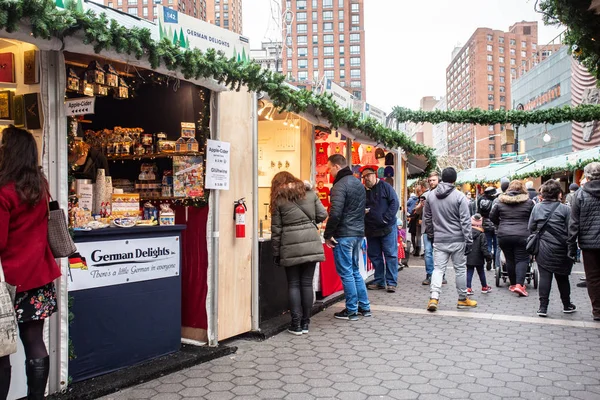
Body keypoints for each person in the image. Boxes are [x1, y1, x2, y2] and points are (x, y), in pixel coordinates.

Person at [0, 126, 61, 399]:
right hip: (38, 276)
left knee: (2, 347)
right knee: (35, 341)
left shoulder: (4, 192)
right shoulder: (40, 185)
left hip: (8, 282)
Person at [270, 172, 328, 335]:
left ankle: (295, 324)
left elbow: (276, 230)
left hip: (290, 245)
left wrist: (276, 252)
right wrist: (308, 223)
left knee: (294, 284)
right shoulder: (309, 193)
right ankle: (306, 323)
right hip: (311, 241)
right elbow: (323, 214)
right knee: (306, 283)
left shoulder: (279, 199)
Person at [324, 154, 371, 321]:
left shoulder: (339, 186)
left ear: (337, 167)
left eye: (329, 168)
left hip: (344, 234)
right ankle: (364, 306)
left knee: (346, 273)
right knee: (355, 271)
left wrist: (328, 234)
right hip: (358, 233)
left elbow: (335, 213)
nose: (329, 171)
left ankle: (351, 309)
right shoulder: (358, 183)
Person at [424, 167, 476, 312]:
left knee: (438, 269)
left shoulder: (431, 196)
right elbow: (465, 220)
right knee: (460, 270)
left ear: (441, 179)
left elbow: (427, 217)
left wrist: (431, 233)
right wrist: (469, 240)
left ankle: (434, 297)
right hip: (458, 239)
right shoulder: (460, 196)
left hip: (439, 239)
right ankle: (462, 299)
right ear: (454, 180)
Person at [529, 179, 576, 317]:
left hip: (543, 248)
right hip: (562, 248)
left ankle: (543, 307)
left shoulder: (537, 208)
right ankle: (567, 305)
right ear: (559, 194)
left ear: (543, 194)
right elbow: (571, 230)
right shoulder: (565, 209)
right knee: (562, 278)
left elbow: (530, 227)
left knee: (545, 277)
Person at [490, 180, 534, 297]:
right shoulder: (529, 202)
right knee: (522, 259)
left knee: (509, 259)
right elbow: (533, 218)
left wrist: (501, 225)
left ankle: (513, 284)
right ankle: (520, 285)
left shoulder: (500, 201)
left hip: (504, 234)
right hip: (522, 235)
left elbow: (492, 216)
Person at [568, 162, 600, 321]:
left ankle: (597, 310)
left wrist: (571, 246)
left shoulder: (580, 195)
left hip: (588, 244)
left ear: (587, 176)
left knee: (593, 277)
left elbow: (573, 223)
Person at [361, 167, 400, 293]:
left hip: (387, 227)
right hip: (371, 229)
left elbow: (395, 203)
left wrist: (386, 218)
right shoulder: (363, 191)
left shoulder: (385, 187)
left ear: (375, 175)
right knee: (374, 255)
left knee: (390, 255)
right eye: (364, 176)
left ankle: (391, 282)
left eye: (368, 175)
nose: (366, 178)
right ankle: (379, 281)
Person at [422, 172, 442, 286]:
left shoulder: (442, 194)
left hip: (439, 228)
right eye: (430, 180)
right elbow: (419, 212)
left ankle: (440, 274)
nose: (431, 182)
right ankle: (429, 275)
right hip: (426, 227)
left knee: (439, 253)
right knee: (428, 252)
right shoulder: (425, 195)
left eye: (434, 180)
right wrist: (420, 206)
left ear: (438, 180)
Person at [467, 214, 493, 295]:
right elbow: (484, 248)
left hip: (469, 256)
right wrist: (488, 257)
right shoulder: (482, 234)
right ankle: (484, 287)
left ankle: (468, 288)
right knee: (481, 272)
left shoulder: (467, 233)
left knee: (469, 271)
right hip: (479, 258)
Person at [478, 186, 499, 270]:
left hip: (485, 224)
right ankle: (496, 263)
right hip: (495, 223)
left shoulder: (480, 200)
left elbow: (478, 212)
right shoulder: (496, 200)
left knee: (488, 244)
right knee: (497, 245)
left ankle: (488, 259)